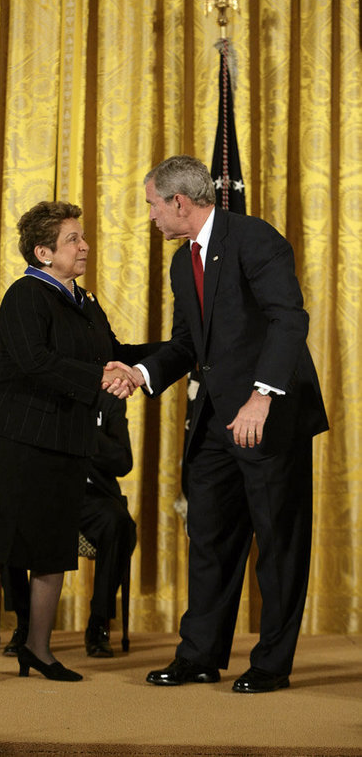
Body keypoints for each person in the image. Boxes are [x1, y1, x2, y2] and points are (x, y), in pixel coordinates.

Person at [105, 155, 328, 693]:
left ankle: (271, 664)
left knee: (278, 544)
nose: (151, 217)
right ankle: (200, 655)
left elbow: (288, 319)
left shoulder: (256, 239)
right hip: (213, 423)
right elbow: (188, 346)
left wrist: (261, 397)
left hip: (268, 417)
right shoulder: (184, 263)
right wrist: (140, 373)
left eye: (153, 206)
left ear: (179, 202)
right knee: (208, 537)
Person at [0, 200, 153, 685]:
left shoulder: (83, 302)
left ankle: (39, 650)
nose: (84, 246)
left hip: (64, 437)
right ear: (43, 252)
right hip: (10, 436)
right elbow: (34, 361)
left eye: (82, 238)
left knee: (52, 546)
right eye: (72, 240)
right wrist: (102, 374)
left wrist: (175, 353)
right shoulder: (25, 295)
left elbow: (114, 353)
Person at [1, 390, 136, 659]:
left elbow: (123, 460)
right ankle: (25, 622)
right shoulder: (43, 391)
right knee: (8, 522)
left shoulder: (108, 399)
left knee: (120, 524)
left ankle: (99, 623)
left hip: (91, 494)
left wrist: (83, 431)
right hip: (47, 491)